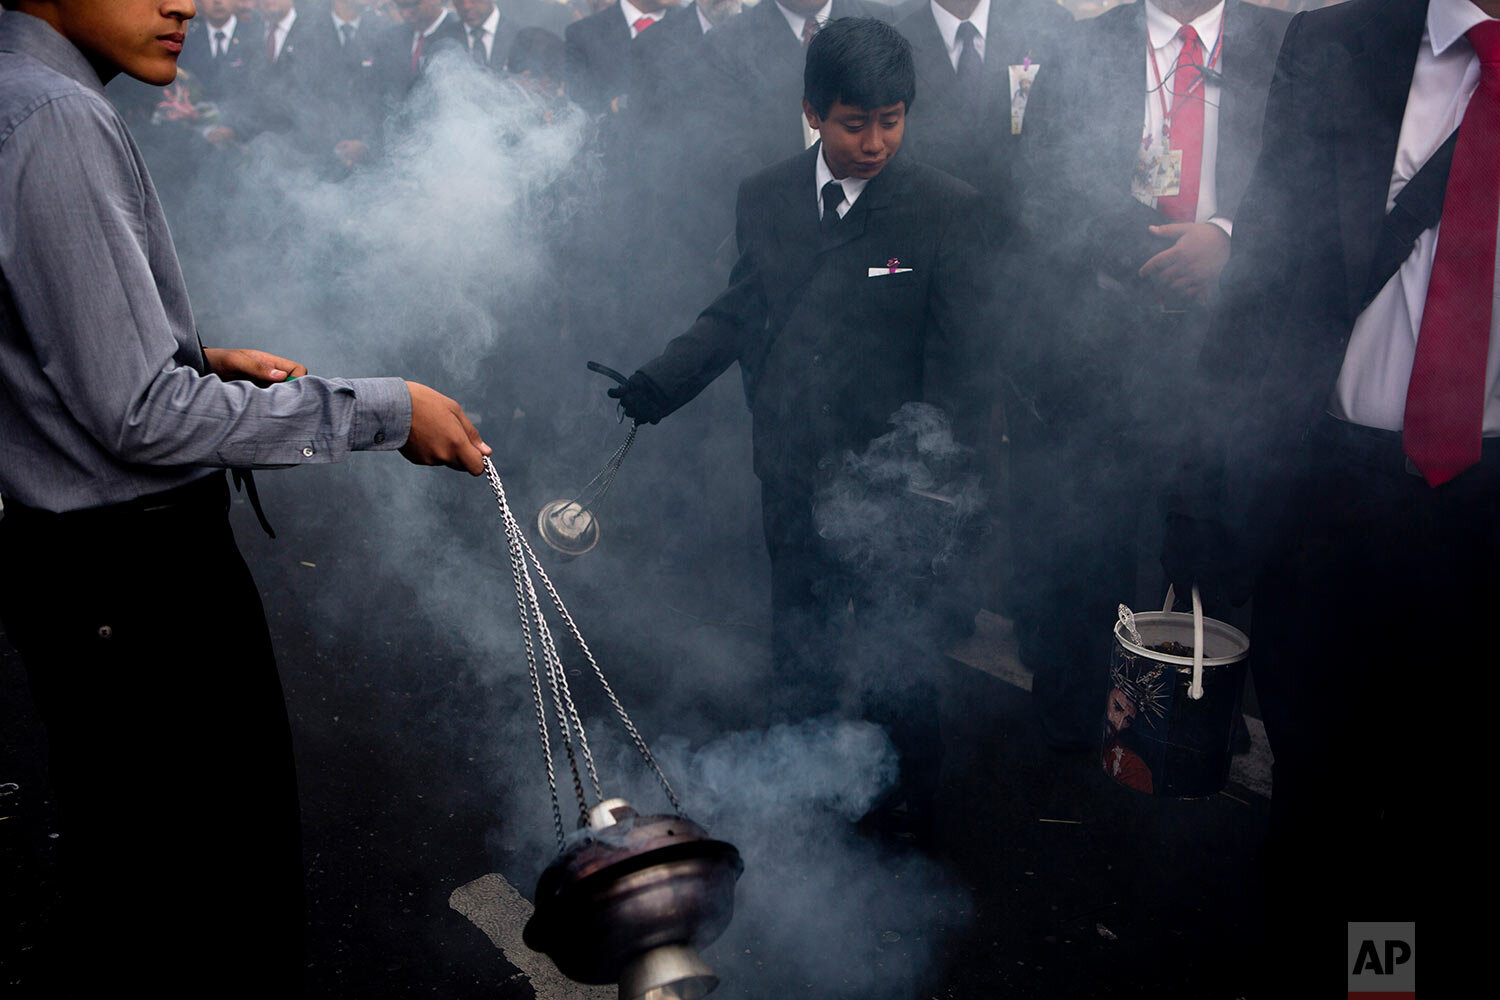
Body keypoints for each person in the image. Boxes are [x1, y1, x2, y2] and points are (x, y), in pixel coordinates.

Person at [0, 1, 490, 992]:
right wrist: (387, 411)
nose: (182, 0)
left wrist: (191, 356)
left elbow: (47, 342)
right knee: (203, 917)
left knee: (135, 892)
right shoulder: (51, 114)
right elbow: (140, 415)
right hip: (135, 591)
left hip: (86, 577)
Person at [1164, 0, 1498, 977]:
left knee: (1447, 811)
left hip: (1487, 516)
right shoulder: (1340, 43)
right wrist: (1202, 495)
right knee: (1324, 800)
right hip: (1336, 498)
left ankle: (1381, 980)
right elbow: (1265, 277)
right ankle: (1326, 976)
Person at [607, 16, 993, 840]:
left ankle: (907, 816)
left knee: (900, 662)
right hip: (790, 466)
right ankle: (806, 801)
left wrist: (943, 479)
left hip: (899, 485)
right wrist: (658, 384)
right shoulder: (766, 194)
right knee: (804, 644)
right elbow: (740, 312)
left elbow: (960, 361)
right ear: (815, 112)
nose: (876, 141)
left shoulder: (945, 209)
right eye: (857, 122)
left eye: (893, 120)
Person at [1004, 0, 1289, 750]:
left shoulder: (1284, 42)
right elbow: (1040, 186)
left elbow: (1316, 182)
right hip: (1101, 335)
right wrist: (1162, 259)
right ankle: (1066, 736)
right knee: (1086, 539)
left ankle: (1197, 729)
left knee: (1213, 546)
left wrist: (1226, 242)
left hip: (1233, 344)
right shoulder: (1080, 48)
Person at [894, 0, 1072, 230]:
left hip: (1032, 227)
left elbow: (1066, 136)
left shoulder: (1049, 25)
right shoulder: (898, 38)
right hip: (934, 227)